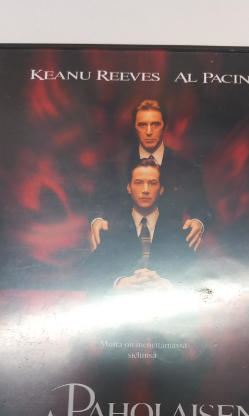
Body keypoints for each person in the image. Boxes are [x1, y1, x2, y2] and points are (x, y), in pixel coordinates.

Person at [89, 99, 212, 253]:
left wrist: (199, 222)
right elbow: (98, 202)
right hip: (124, 250)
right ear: (135, 127)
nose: (149, 131)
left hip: (170, 251)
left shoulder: (185, 165)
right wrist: (97, 220)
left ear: (164, 126)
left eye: (155, 124)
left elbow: (203, 207)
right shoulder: (116, 164)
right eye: (142, 125)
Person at [86, 158, 196, 295]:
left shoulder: (181, 232)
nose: (145, 190)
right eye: (138, 183)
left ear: (161, 189)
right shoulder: (109, 231)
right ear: (128, 187)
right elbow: (92, 281)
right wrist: (119, 283)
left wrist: (169, 285)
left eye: (152, 183)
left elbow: (195, 279)